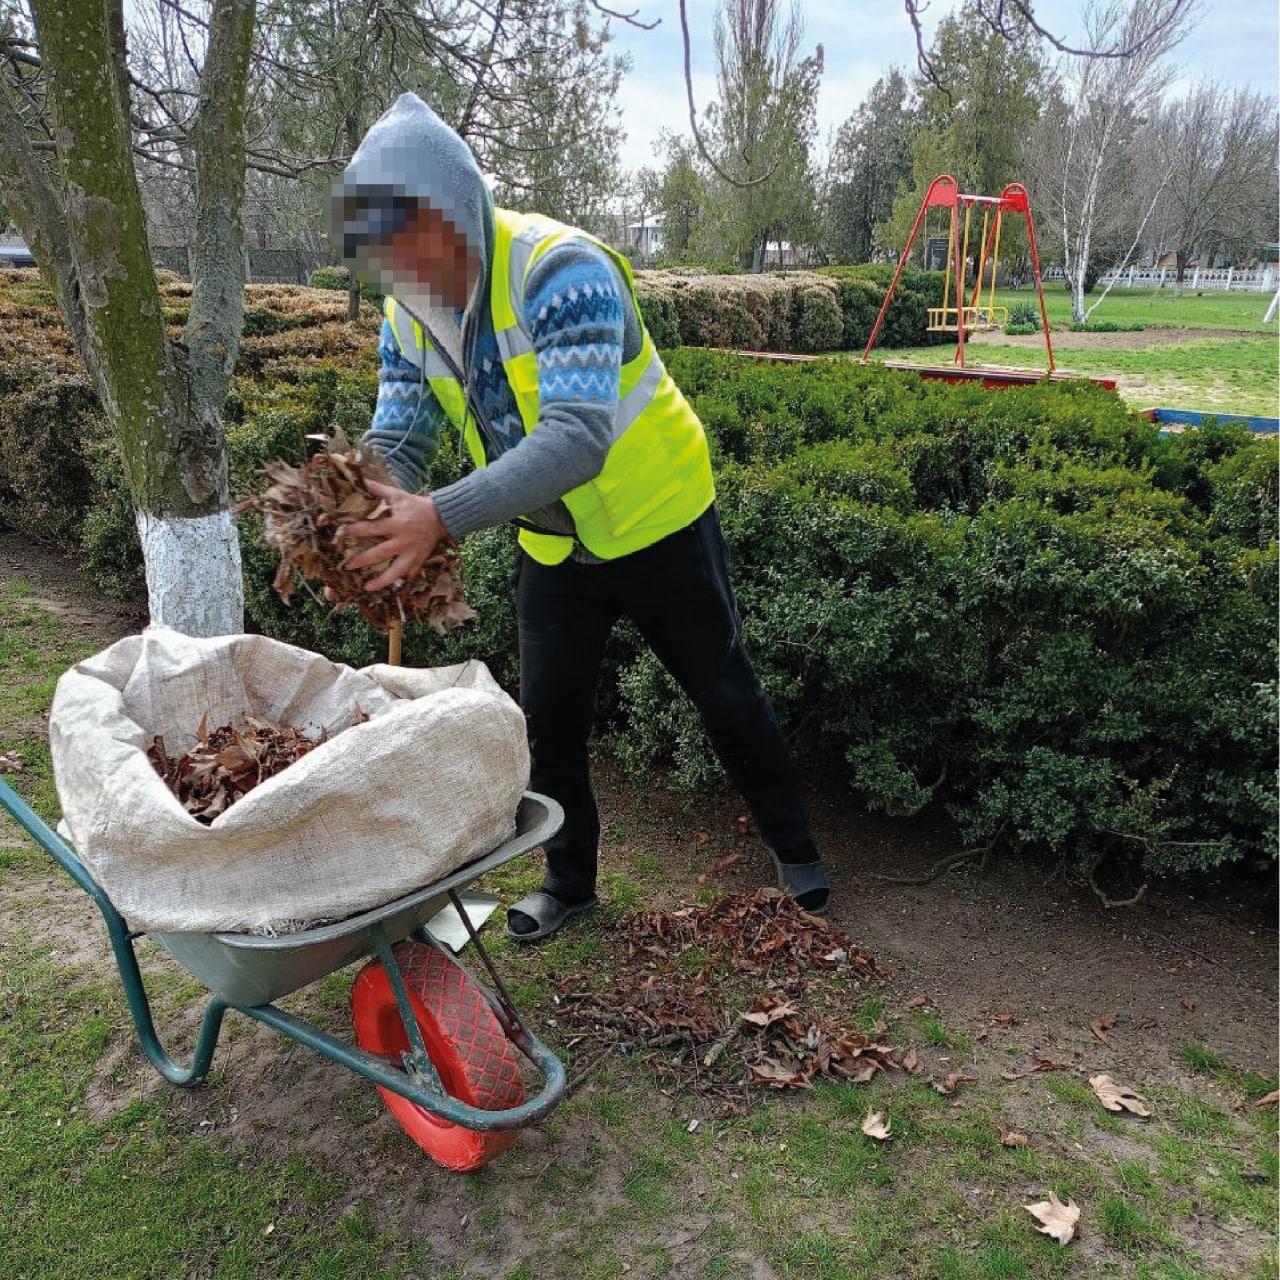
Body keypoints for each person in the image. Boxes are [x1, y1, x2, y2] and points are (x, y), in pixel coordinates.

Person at [329, 93, 831, 939]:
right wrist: (374, 498)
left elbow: (575, 441)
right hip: (555, 545)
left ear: (455, 212)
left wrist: (438, 516)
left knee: (723, 692)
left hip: (658, 514)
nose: (398, 272)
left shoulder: (562, 271)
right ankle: (569, 884)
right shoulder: (407, 311)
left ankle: (798, 853)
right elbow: (402, 428)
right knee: (548, 720)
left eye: (406, 241)